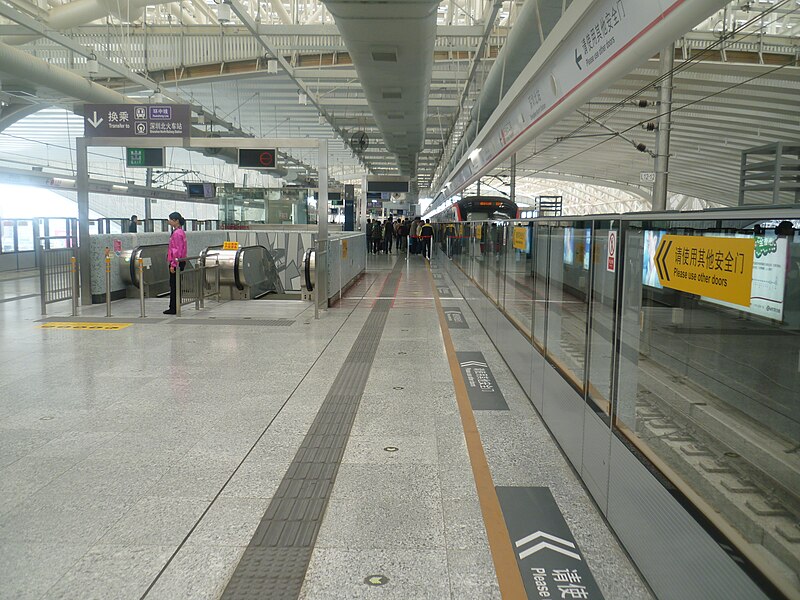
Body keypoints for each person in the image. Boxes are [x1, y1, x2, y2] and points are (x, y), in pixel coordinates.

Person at [164, 211, 187, 315]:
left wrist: (173, 264)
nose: (169, 222)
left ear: (176, 221)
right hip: (180, 261)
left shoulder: (177, 233)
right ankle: (175, 305)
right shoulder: (180, 231)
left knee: (174, 285)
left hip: (176, 262)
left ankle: (173, 307)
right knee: (176, 284)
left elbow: (176, 250)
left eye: (170, 220)